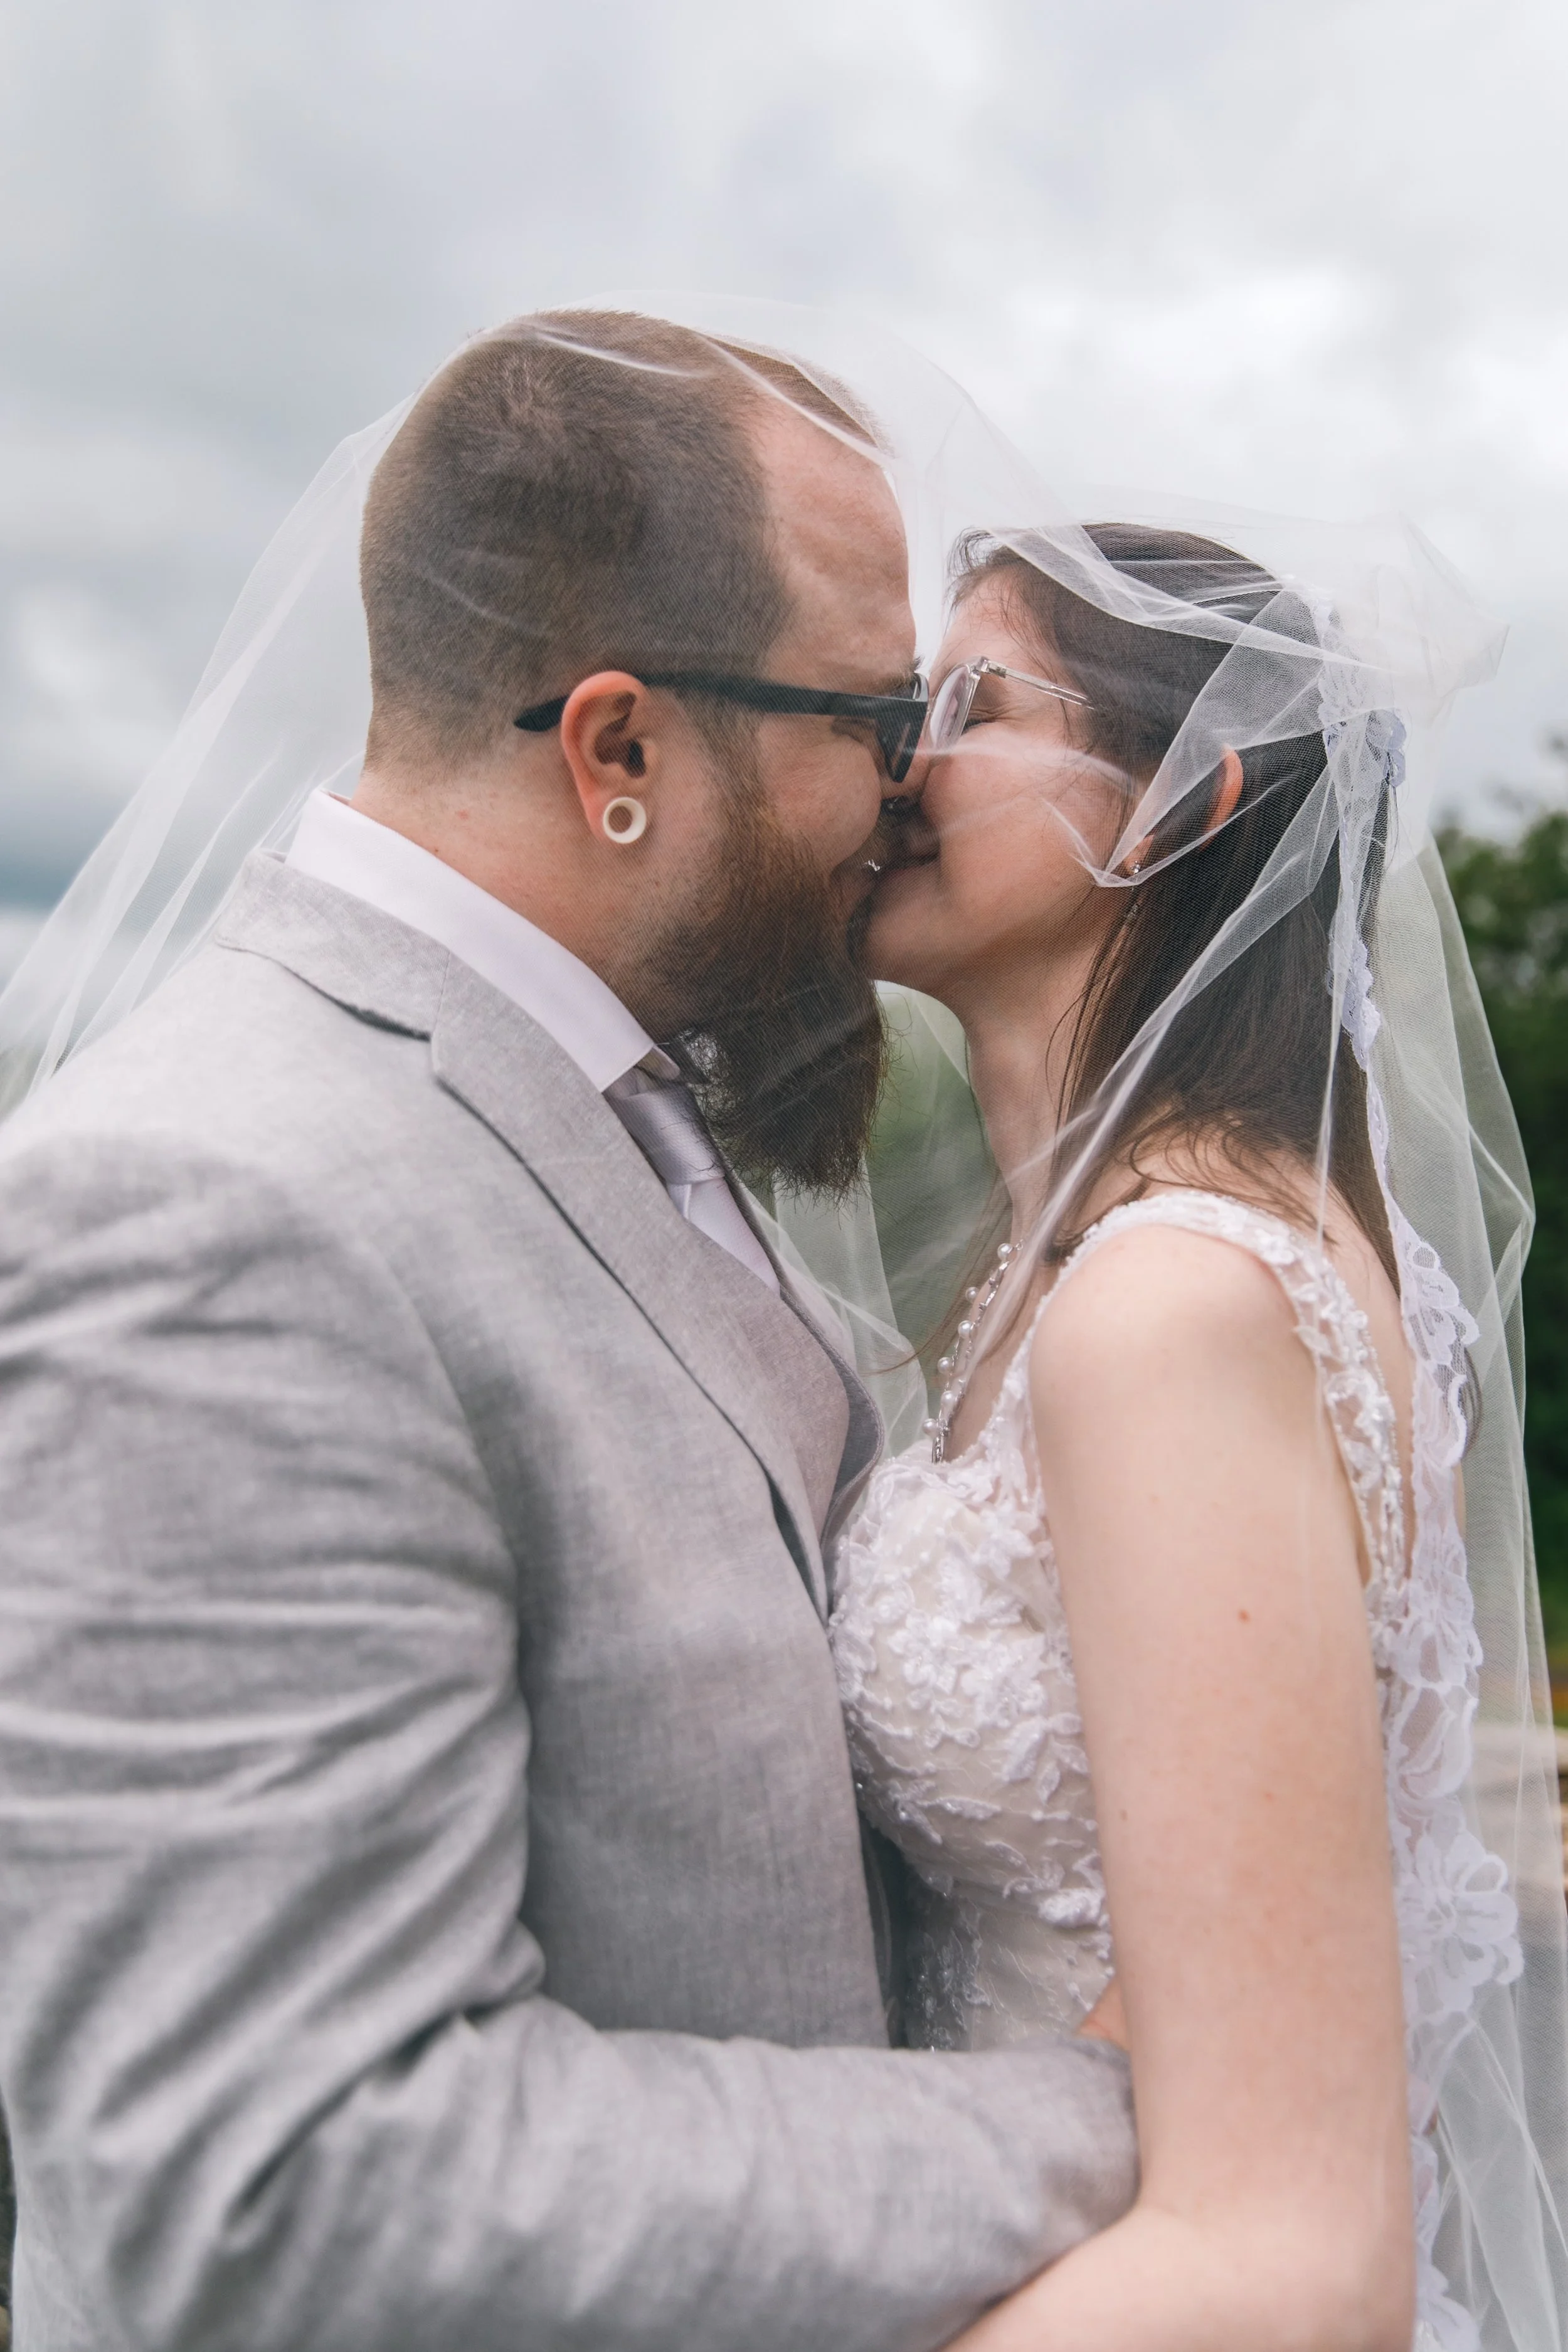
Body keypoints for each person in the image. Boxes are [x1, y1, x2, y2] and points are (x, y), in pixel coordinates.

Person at [0, 314, 1137, 2351]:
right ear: (617, 749)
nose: (907, 793)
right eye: (872, 717)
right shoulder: (218, 1206)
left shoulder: (616, 1105)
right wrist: (1114, 2113)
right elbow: (282, 2183)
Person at [826, 520, 1568, 2351]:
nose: (890, 758)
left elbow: (1282, 2249)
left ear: (1171, 807)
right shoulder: (1087, 1263)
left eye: (970, 702)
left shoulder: (1172, 1303)